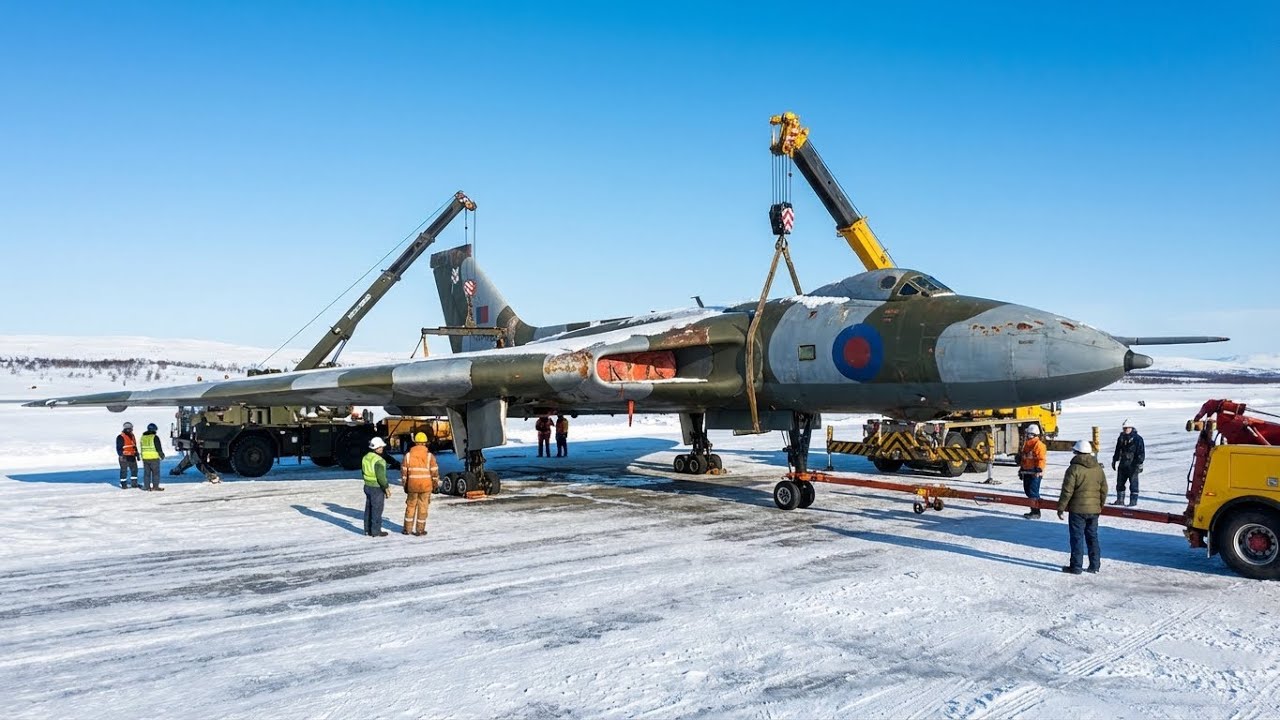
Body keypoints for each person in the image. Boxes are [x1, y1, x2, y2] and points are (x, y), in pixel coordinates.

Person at [1057, 439, 1109, 575]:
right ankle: (1095, 566)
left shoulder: (1074, 468)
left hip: (1077, 511)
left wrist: (1061, 508)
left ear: (1077, 452)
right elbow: (1104, 489)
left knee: (1077, 538)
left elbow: (1067, 491)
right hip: (1094, 510)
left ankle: (1076, 567)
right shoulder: (1098, 468)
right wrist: (1099, 506)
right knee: (1092, 537)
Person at [401, 432, 439, 536]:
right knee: (423, 507)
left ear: (415, 442)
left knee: (410, 506)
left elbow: (404, 473)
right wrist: (435, 485)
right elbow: (434, 472)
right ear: (425, 443)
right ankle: (420, 530)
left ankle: (407, 529)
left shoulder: (408, 456)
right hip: (425, 486)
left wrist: (405, 485)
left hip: (412, 485)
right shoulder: (429, 456)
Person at [1111, 420, 1145, 507]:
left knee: (1133, 484)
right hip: (1123, 464)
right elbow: (1118, 450)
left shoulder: (1137, 439)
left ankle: (1133, 502)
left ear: (1132, 428)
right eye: (1124, 428)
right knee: (1120, 483)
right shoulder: (1121, 438)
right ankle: (1120, 500)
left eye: (1128, 428)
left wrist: (1140, 463)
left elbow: (1141, 452)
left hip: (1133, 464)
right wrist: (1115, 460)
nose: (1126, 429)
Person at [362, 437, 390, 537]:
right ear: (376, 448)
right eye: (381, 447)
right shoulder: (379, 460)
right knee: (377, 509)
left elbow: (363, 472)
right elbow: (381, 477)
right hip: (376, 488)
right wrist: (386, 487)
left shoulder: (365, 457)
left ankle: (367, 530)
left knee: (368, 509)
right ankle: (375, 531)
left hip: (367, 486)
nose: (382, 448)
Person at [1018, 424, 1047, 519]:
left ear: (1034, 434)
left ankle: (1036, 512)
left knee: (1033, 492)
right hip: (1027, 471)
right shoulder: (1027, 444)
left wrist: (1039, 468)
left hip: (1035, 472)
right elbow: (1024, 458)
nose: (1027, 435)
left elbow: (1041, 459)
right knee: (1028, 491)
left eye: (1029, 434)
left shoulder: (1039, 445)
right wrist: (1021, 469)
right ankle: (1033, 509)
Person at [139, 422, 166, 491]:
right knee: (155, 473)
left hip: (145, 458)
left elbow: (141, 447)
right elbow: (158, 448)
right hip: (154, 458)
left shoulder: (143, 437)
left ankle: (146, 487)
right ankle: (155, 487)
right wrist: (161, 455)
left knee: (146, 473)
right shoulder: (155, 437)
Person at [117, 421, 140, 489]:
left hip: (132, 456)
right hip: (124, 456)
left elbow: (134, 446)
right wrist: (121, 455)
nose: (131, 430)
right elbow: (119, 447)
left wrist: (137, 453)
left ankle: (134, 484)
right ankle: (123, 484)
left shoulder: (132, 436)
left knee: (134, 470)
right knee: (124, 470)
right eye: (130, 428)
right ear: (127, 429)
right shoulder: (120, 437)